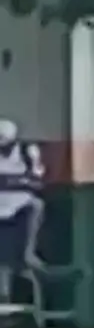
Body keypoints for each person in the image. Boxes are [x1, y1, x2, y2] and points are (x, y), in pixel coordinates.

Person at [0, 120, 45, 302]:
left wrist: (12, 182)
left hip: (20, 206)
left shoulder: (28, 152)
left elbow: (37, 182)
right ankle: (4, 296)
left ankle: (29, 252)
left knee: (36, 205)